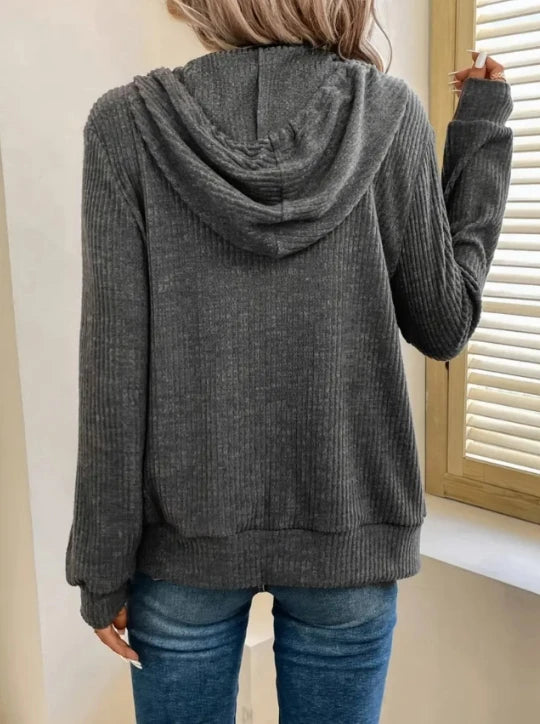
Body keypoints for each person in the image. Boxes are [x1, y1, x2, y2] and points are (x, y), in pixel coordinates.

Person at [64, 1, 513, 721]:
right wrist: (480, 134)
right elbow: (444, 323)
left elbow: (113, 373)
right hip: (349, 534)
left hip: (183, 545)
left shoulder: (125, 126)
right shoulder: (390, 114)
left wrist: (101, 568)